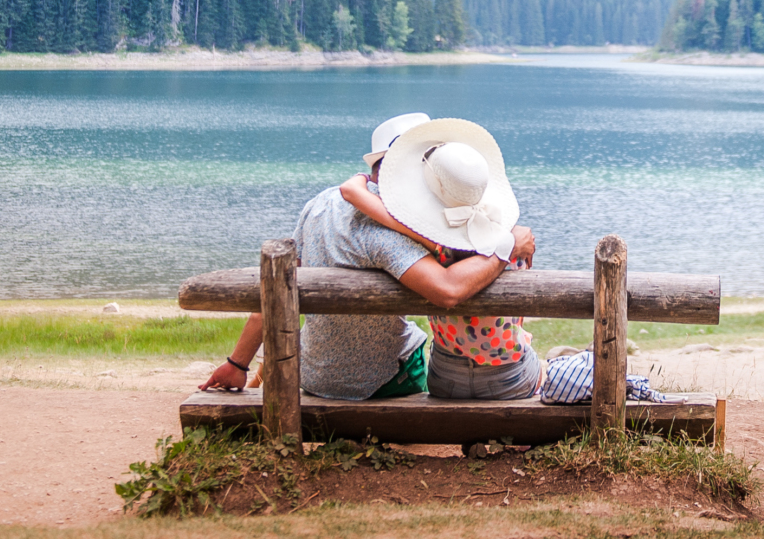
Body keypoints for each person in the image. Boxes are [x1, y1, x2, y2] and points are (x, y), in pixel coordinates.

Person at [199, 113, 535, 399]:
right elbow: (447, 290)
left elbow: (274, 294)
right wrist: (506, 246)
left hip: (314, 376)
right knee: (417, 338)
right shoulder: (392, 231)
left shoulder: (318, 204)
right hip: (378, 382)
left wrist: (237, 364)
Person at [340, 117, 545, 399]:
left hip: (445, 377)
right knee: (540, 369)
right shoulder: (513, 245)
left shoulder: (427, 243)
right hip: (506, 378)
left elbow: (358, 197)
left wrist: (361, 182)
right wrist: (507, 242)